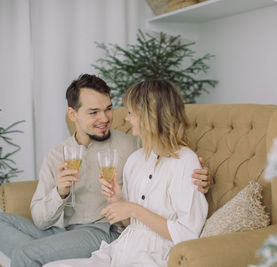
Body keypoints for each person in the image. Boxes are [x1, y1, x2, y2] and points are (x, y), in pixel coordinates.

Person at [0, 74, 211, 267]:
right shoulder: (57, 154)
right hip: (62, 230)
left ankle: (35, 253)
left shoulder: (133, 146)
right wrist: (60, 192)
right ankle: (46, 250)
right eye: (94, 112)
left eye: (108, 109)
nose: (105, 118)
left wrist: (204, 179)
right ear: (73, 115)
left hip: (99, 231)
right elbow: (39, 218)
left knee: (26, 254)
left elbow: (167, 159)